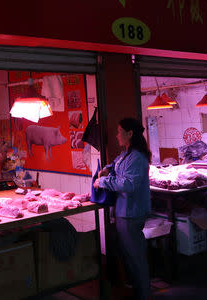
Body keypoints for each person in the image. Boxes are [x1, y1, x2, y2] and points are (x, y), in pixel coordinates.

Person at [93, 117, 151, 300]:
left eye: (119, 132)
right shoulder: (127, 154)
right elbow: (117, 164)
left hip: (131, 213)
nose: (117, 135)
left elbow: (128, 184)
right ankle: (138, 292)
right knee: (130, 256)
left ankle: (144, 295)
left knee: (136, 258)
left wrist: (102, 181)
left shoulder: (137, 157)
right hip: (124, 212)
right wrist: (107, 170)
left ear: (130, 134)